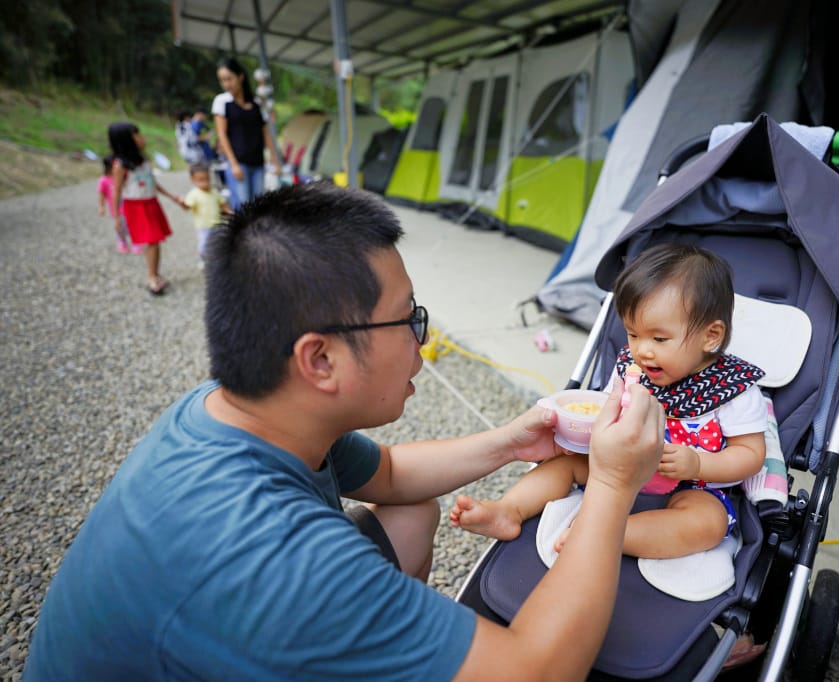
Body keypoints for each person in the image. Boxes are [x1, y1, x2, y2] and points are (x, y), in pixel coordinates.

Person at [23, 181, 667, 681]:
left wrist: (514, 440)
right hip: (266, 588)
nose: (424, 338)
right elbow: (541, 672)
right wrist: (612, 484)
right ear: (320, 359)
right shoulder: (283, 562)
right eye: (407, 319)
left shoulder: (233, 410)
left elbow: (387, 476)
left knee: (411, 508)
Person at [451, 243, 768, 563]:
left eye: (659, 339)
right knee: (563, 464)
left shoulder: (733, 390)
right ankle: (509, 510)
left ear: (710, 336)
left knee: (707, 523)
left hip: (690, 486)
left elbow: (751, 455)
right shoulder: (634, 368)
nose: (642, 351)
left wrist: (699, 464)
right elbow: (605, 408)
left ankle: (610, 535)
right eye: (633, 334)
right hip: (618, 468)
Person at [108, 121, 184, 295]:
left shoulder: (144, 160)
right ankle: (151, 277)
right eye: (137, 135)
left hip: (151, 203)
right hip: (136, 206)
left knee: (155, 241)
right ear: (126, 140)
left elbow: (153, 183)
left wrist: (172, 197)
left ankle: (155, 274)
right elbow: (117, 190)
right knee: (152, 241)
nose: (142, 138)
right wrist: (117, 217)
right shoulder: (120, 165)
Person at [212, 57, 282, 210]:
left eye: (229, 79)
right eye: (222, 80)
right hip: (239, 163)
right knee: (243, 207)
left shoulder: (256, 104)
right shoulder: (222, 102)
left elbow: (266, 134)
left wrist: (275, 160)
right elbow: (221, 134)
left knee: (259, 206)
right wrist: (234, 164)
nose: (226, 84)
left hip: (258, 163)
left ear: (240, 76)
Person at [181, 162, 231, 267]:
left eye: (207, 179)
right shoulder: (194, 194)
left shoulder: (214, 191)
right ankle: (203, 258)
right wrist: (182, 203)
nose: (205, 183)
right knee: (204, 244)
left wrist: (229, 211)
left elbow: (222, 203)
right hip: (203, 226)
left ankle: (218, 260)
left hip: (217, 223)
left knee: (219, 242)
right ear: (193, 180)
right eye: (201, 180)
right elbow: (187, 206)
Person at [96, 153, 141, 254]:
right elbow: (101, 194)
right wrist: (101, 206)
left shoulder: (122, 177)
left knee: (132, 225)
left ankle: (136, 242)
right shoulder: (104, 180)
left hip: (128, 206)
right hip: (115, 209)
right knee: (119, 226)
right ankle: (122, 241)